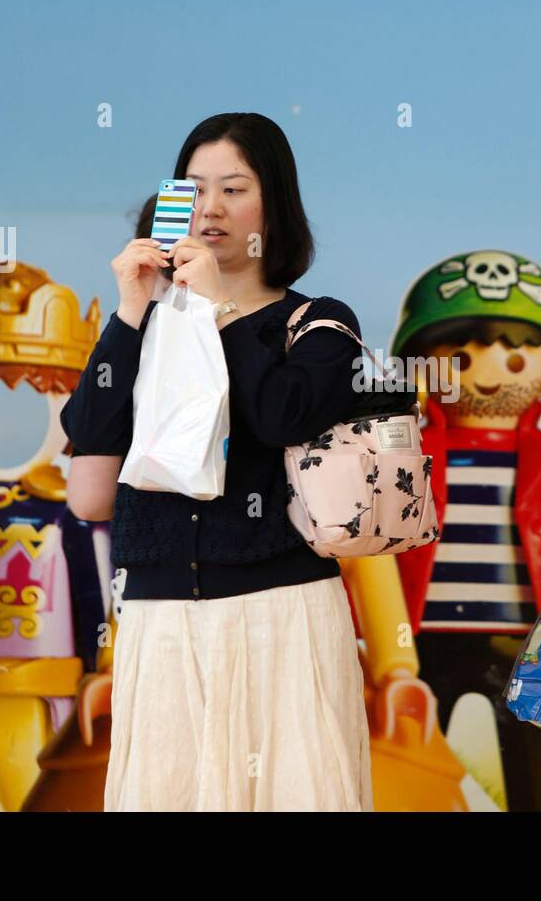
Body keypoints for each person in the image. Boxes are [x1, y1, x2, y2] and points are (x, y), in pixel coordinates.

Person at [60, 112, 373, 811]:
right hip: (160, 621)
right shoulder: (149, 325)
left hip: (280, 615)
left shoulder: (320, 322)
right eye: (195, 189)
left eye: (233, 188)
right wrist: (131, 310)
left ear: (274, 205)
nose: (210, 208)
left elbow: (279, 415)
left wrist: (220, 310)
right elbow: (91, 460)